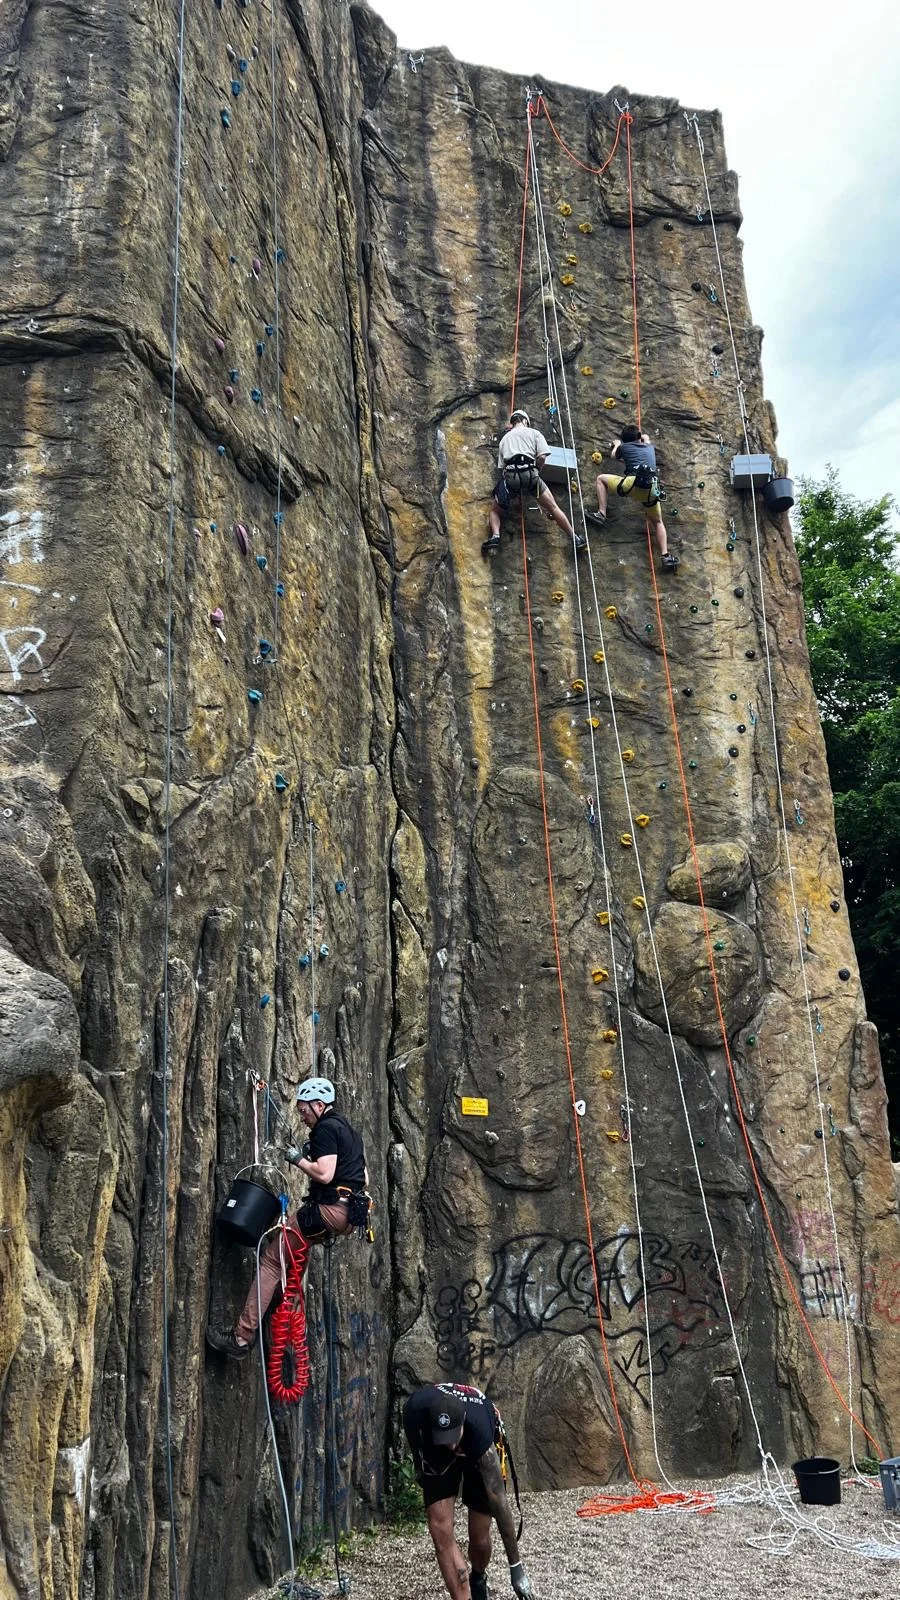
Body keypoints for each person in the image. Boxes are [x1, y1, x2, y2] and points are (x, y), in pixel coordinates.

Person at [206, 1077, 367, 1360]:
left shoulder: (326, 1128)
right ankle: (281, 1316)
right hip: (349, 1214)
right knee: (292, 1260)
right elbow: (362, 1176)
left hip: (327, 1210)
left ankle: (241, 1338)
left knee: (271, 1259)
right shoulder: (348, 1131)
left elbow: (325, 1174)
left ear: (320, 1105)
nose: (302, 1116)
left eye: (305, 1110)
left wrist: (298, 1160)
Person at [403, 1381, 537, 1600]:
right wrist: (421, 1467)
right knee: (439, 1529)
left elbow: (500, 1501)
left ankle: (478, 1576)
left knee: (479, 1535)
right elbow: (417, 1441)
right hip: (434, 1444)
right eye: (445, 1441)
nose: (451, 1447)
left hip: (477, 1441)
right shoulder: (415, 1410)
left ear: (463, 1423)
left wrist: (516, 1569)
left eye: (453, 1440)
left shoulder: (480, 1431)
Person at [483, 409, 584, 556]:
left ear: (513, 422)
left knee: (495, 510)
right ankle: (574, 538)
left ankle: (495, 536)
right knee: (553, 507)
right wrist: (536, 471)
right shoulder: (534, 433)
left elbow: (503, 468)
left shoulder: (504, 439)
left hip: (512, 477)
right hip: (531, 476)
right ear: (525, 420)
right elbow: (542, 457)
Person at [586, 423, 678, 570]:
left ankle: (601, 514)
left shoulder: (624, 447)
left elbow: (614, 456)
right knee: (658, 522)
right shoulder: (649, 447)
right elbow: (646, 439)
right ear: (639, 437)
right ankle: (665, 556)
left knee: (601, 479)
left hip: (631, 484)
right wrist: (643, 437)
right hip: (651, 490)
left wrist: (616, 445)